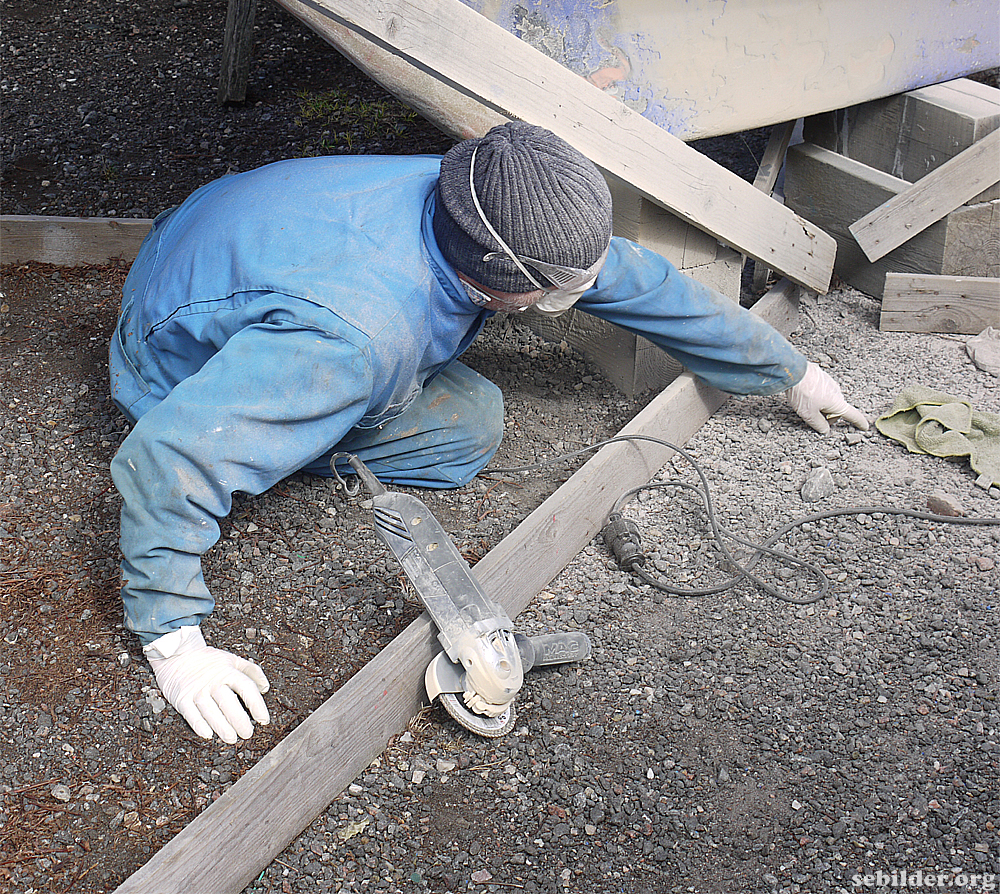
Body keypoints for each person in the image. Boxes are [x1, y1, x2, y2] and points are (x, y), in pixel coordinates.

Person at [108, 122, 867, 744]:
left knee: (437, 386)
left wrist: (790, 371)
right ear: (489, 275)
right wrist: (175, 643)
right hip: (168, 353)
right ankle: (284, 436)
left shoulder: (487, 192)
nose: (579, 293)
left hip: (208, 237)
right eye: (554, 291)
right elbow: (168, 456)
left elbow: (635, 281)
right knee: (468, 425)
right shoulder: (358, 340)